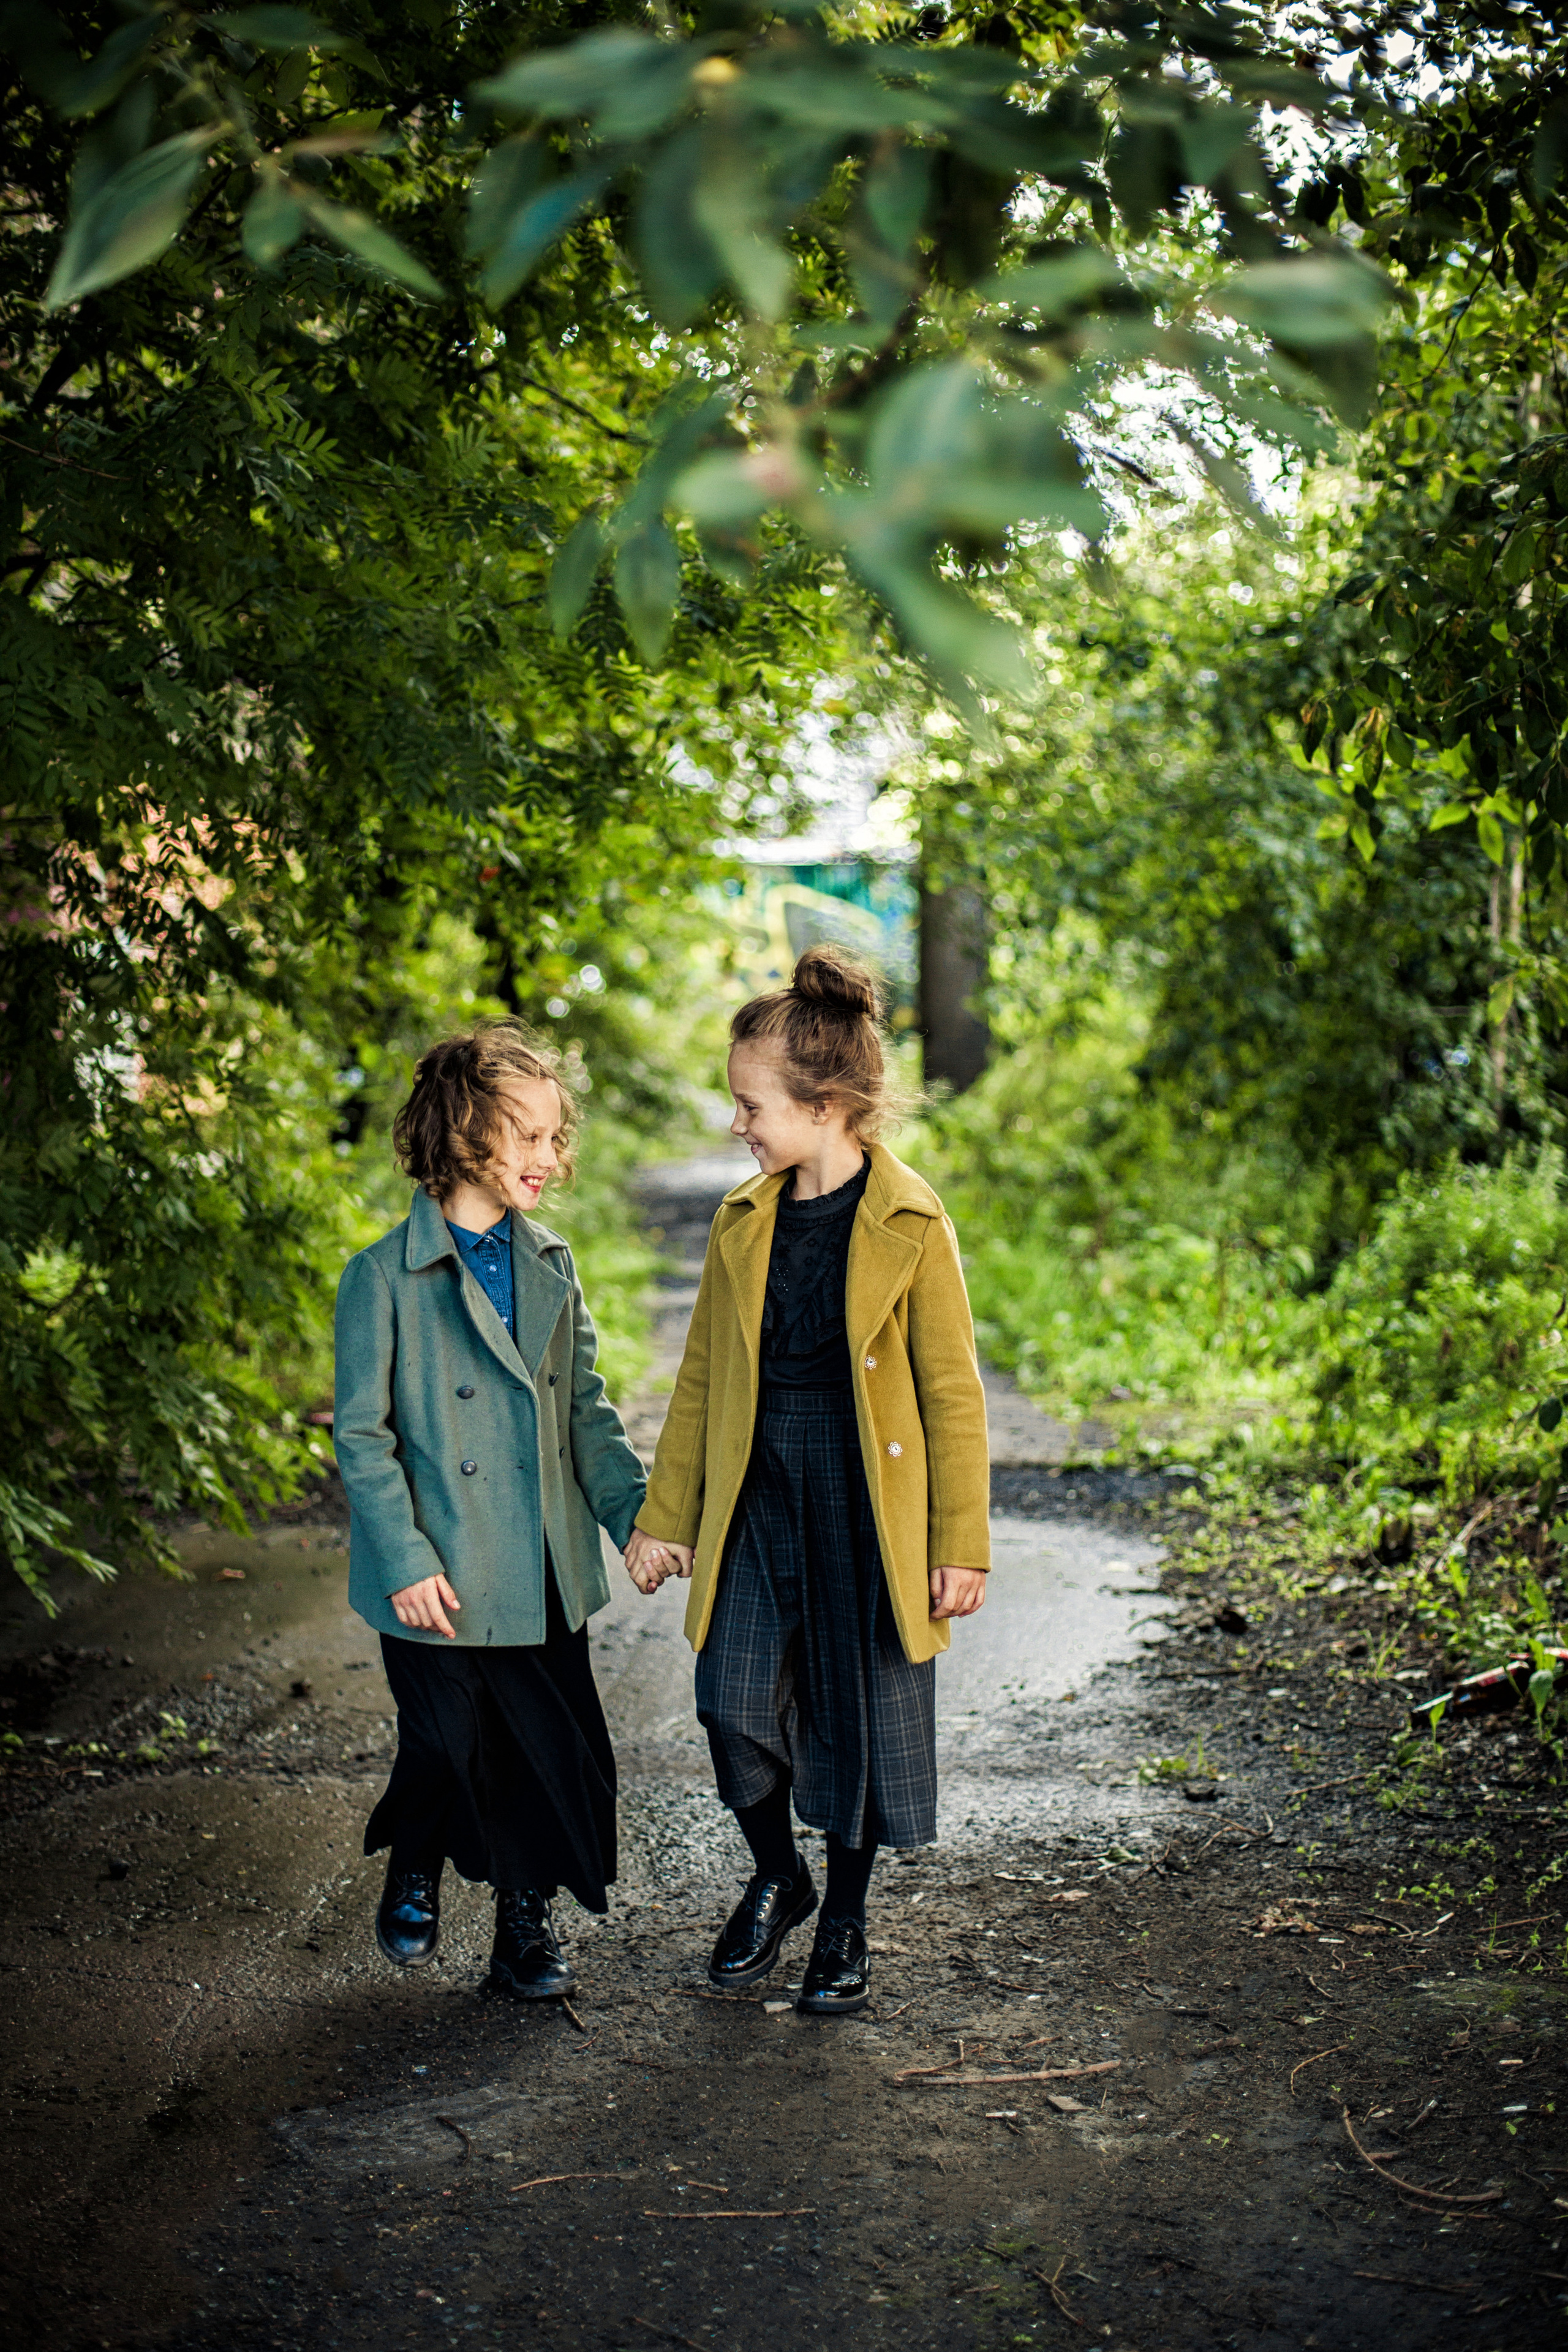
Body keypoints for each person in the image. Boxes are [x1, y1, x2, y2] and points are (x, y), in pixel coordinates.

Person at [626, 946, 990, 2015]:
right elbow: (702, 1380)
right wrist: (666, 1516)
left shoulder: (914, 1221)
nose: (737, 1123)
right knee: (731, 1699)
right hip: (759, 1487)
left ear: (824, 1106)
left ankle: (844, 1921)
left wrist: (960, 1543)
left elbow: (952, 1393)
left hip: (869, 1501)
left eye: (752, 1105)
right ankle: (779, 1877)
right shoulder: (743, 1222)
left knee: (856, 1714)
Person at [334, 1023, 660, 2000]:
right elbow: (364, 1437)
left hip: (540, 1567)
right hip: (433, 1570)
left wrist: (634, 1520)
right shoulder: (382, 1277)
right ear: (462, 1129)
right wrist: (403, 1556)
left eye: (556, 1138)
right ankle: (415, 1858)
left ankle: (525, 1928)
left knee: (539, 1758)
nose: (549, 1157)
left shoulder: (552, 1263)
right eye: (528, 1135)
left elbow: (587, 1414)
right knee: (446, 1738)